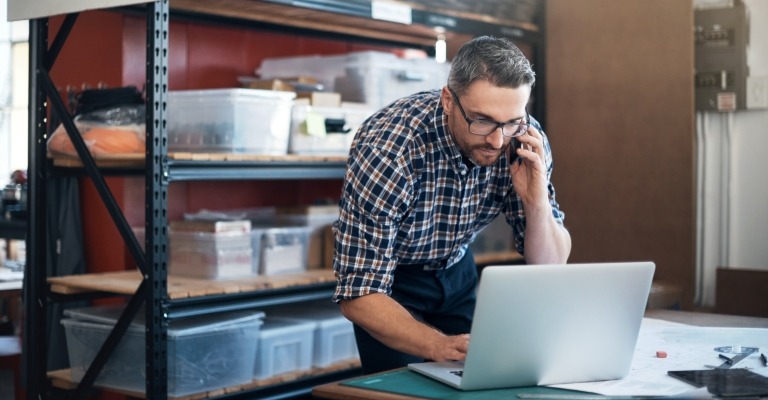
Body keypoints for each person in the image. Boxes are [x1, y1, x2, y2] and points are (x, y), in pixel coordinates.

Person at [332, 35, 572, 374]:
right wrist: (437, 345)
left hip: (457, 269)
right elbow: (358, 293)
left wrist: (537, 204)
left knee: (483, 380)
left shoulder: (523, 139)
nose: (496, 140)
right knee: (405, 394)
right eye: (482, 120)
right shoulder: (390, 149)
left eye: (511, 122)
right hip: (391, 284)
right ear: (448, 100)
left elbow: (550, 265)